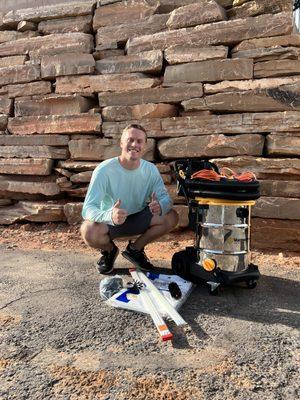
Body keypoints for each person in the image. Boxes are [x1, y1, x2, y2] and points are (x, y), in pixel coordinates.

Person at [80, 123, 179, 274]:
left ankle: (135, 250)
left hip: (139, 218)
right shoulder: (104, 170)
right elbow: (88, 209)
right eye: (130, 140)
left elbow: (165, 198)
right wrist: (110, 216)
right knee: (88, 230)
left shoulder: (150, 170)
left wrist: (161, 205)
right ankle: (109, 251)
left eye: (139, 141)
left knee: (171, 216)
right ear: (121, 143)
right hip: (111, 222)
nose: (134, 144)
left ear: (145, 146)